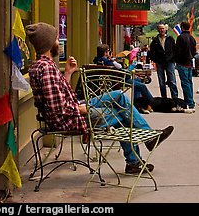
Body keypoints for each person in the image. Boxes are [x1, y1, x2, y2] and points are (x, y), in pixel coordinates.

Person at [26, 22, 174, 174]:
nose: (58, 42)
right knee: (122, 115)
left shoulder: (42, 65)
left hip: (72, 109)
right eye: (56, 39)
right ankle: (138, 155)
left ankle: (141, 150)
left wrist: (68, 73)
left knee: (118, 97)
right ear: (49, 43)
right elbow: (56, 107)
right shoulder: (46, 69)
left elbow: (59, 97)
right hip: (70, 118)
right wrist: (80, 109)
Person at [92, 44, 154, 113]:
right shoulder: (109, 62)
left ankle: (137, 105)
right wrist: (112, 60)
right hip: (119, 80)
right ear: (105, 53)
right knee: (142, 86)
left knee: (138, 80)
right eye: (108, 51)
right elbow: (120, 67)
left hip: (111, 80)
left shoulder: (97, 61)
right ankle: (152, 102)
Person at [148, 23, 178, 99]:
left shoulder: (170, 39)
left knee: (172, 81)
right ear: (158, 30)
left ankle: (175, 98)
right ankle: (164, 98)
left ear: (165, 29)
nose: (162, 30)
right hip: (160, 62)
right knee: (162, 82)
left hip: (170, 62)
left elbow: (175, 50)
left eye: (163, 28)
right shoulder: (155, 40)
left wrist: (173, 59)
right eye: (160, 28)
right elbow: (151, 52)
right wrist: (156, 60)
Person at [174, 21, 197, 110]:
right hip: (190, 63)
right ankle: (191, 100)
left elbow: (178, 51)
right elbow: (194, 51)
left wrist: (177, 61)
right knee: (189, 82)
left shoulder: (180, 38)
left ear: (182, 27)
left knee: (185, 83)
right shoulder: (192, 38)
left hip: (182, 63)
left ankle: (189, 102)